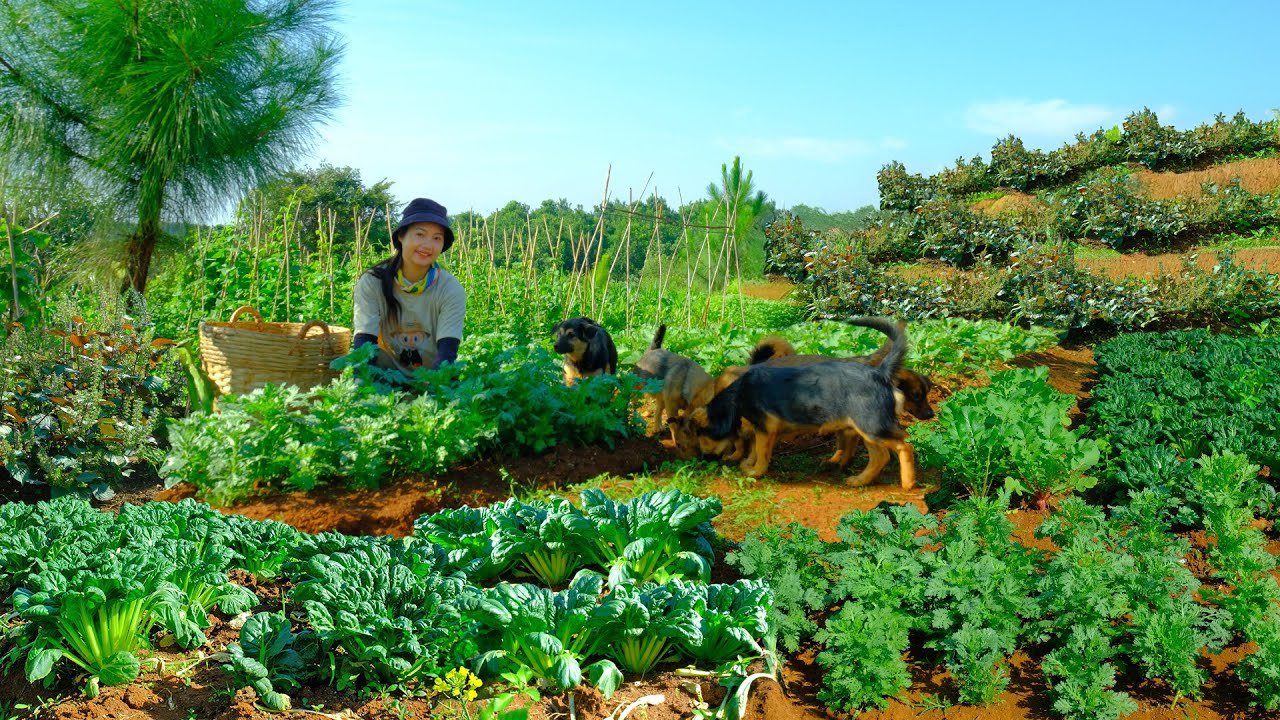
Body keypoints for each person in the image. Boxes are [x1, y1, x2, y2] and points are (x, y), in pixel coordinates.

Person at [352, 197, 465, 376]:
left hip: (429, 380)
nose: (428, 245)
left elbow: (447, 354)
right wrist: (363, 384)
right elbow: (364, 343)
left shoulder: (450, 289)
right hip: (384, 379)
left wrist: (433, 390)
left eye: (437, 238)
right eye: (420, 234)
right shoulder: (373, 282)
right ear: (401, 236)